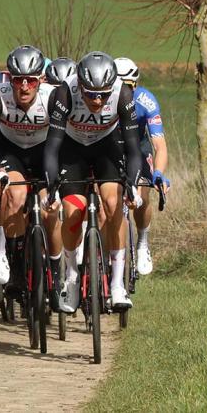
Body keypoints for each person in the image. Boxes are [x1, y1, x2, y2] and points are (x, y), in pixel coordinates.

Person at [44, 52, 143, 312]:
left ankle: (118, 284)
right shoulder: (64, 94)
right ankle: (72, 277)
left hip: (106, 148)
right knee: (73, 213)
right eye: (90, 95)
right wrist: (52, 186)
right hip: (71, 149)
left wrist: (132, 184)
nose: (97, 101)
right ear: (80, 86)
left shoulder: (123, 95)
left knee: (112, 204)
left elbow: (133, 149)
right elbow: (52, 147)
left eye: (103, 95)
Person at [0, 46, 62, 304]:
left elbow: (60, 142)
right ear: (10, 79)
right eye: (18, 80)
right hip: (11, 152)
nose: (24, 87)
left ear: (40, 79)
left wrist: (54, 181)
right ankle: (16, 269)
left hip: (45, 153)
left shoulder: (53, 97)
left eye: (30, 80)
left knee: (50, 211)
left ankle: (56, 270)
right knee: (14, 196)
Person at [115, 57, 170, 275]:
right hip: (110, 146)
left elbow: (159, 145)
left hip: (138, 145)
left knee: (142, 197)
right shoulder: (102, 99)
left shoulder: (147, 101)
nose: (122, 92)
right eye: (117, 87)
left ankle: (143, 241)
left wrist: (158, 173)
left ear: (135, 85)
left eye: (127, 87)